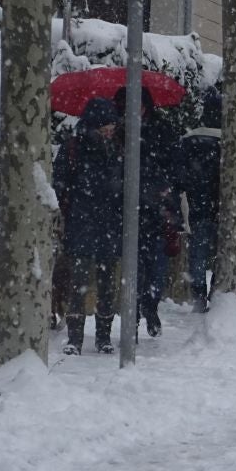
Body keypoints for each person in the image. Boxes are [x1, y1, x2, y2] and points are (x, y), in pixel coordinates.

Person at [54, 97, 123, 355]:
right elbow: (60, 182)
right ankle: (75, 337)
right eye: (106, 126)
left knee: (106, 284)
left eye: (112, 125)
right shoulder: (73, 147)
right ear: (94, 125)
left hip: (107, 224)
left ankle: (103, 336)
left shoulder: (117, 148)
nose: (110, 129)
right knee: (79, 281)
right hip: (83, 221)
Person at [116, 86, 180, 337]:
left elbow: (174, 165)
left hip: (158, 210)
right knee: (134, 268)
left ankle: (150, 307)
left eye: (140, 104)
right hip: (130, 210)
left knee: (156, 267)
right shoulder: (120, 131)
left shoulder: (162, 131)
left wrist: (164, 189)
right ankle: (132, 317)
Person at [178, 89, 221, 313]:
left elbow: (181, 174)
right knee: (222, 252)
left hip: (198, 203)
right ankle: (216, 290)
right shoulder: (228, 139)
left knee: (198, 252)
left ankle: (198, 295)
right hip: (222, 206)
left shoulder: (191, 138)